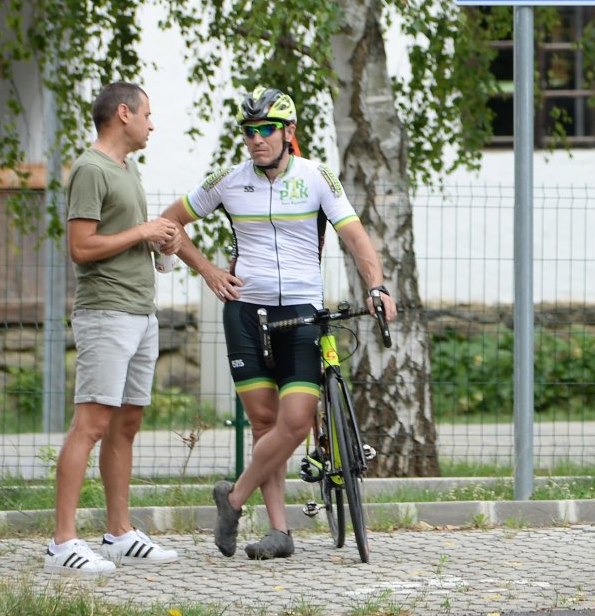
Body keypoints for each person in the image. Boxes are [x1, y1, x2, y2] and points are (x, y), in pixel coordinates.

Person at [160, 89, 398, 560]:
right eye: (248, 131)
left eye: (265, 129)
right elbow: (169, 223)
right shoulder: (228, 181)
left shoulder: (316, 178)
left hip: (303, 314)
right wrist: (207, 270)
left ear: (288, 133)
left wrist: (376, 286)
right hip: (247, 313)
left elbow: (356, 238)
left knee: (293, 422)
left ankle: (232, 498)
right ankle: (279, 532)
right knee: (263, 421)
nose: (255, 140)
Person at [45, 82, 183, 573]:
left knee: (127, 423)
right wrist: (143, 231)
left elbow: (119, 237)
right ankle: (62, 543)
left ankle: (119, 533)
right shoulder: (90, 168)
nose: (153, 123)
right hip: (106, 312)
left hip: (139, 311)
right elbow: (81, 247)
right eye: (148, 113)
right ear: (123, 114)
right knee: (92, 424)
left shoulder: (127, 168)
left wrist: (155, 242)